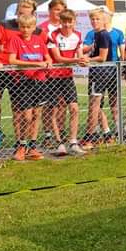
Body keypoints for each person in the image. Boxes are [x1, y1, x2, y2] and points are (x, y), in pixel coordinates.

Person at [0, 0, 37, 149]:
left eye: (25, 9)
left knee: (18, 110)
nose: (21, 12)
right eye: (19, 9)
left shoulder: (34, 29)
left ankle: (19, 142)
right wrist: (0, 49)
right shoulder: (4, 25)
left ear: (32, 13)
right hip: (1, 70)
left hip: (19, 73)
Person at [6, 13, 51, 161]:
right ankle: (21, 146)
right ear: (19, 27)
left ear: (34, 27)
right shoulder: (15, 39)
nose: (25, 29)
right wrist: (35, 64)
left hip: (40, 81)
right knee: (26, 116)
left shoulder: (39, 40)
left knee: (36, 115)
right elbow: (12, 60)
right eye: (23, 26)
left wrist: (48, 62)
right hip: (24, 82)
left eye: (29, 27)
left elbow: (47, 57)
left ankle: (32, 147)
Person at [47, 10, 89, 155]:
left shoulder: (77, 35)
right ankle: (59, 143)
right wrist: (78, 60)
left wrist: (84, 61)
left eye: (69, 21)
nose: (66, 24)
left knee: (74, 108)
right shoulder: (53, 35)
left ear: (74, 22)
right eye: (64, 21)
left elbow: (80, 55)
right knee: (53, 111)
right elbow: (58, 59)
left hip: (67, 77)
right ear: (60, 22)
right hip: (52, 77)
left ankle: (73, 142)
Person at [84, 8, 124, 145]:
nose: (94, 22)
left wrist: (87, 60)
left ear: (104, 20)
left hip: (102, 73)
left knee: (96, 104)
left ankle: (91, 137)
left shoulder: (104, 35)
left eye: (98, 19)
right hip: (100, 72)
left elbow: (102, 57)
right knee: (95, 104)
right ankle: (106, 133)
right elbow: (88, 49)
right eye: (92, 19)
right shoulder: (94, 34)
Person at [41, 0, 67, 148]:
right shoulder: (43, 28)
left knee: (63, 103)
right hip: (48, 72)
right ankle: (48, 135)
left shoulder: (65, 26)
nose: (59, 13)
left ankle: (61, 132)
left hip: (64, 71)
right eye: (56, 9)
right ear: (50, 10)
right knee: (50, 105)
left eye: (61, 10)